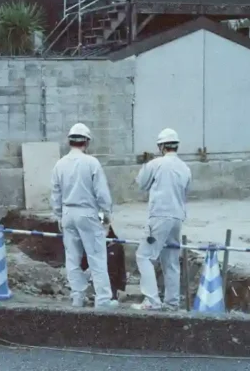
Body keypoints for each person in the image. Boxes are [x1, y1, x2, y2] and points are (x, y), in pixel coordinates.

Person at [51, 123, 118, 310]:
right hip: (88, 213)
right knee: (96, 256)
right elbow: (102, 195)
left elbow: (55, 194)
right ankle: (103, 299)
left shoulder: (60, 164)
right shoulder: (92, 163)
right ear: (86, 142)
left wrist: (59, 215)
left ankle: (77, 297)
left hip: (68, 213)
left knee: (72, 257)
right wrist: (106, 218)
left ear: (69, 141)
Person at [132, 128, 192, 311]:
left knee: (144, 256)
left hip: (159, 216)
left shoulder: (156, 164)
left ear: (161, 146)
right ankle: (172, 302)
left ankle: (152, 300)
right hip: (177, 217)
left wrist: (145, 165)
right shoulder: (185, 167)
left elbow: (141, 183)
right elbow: (186, 192)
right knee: (171, 260)